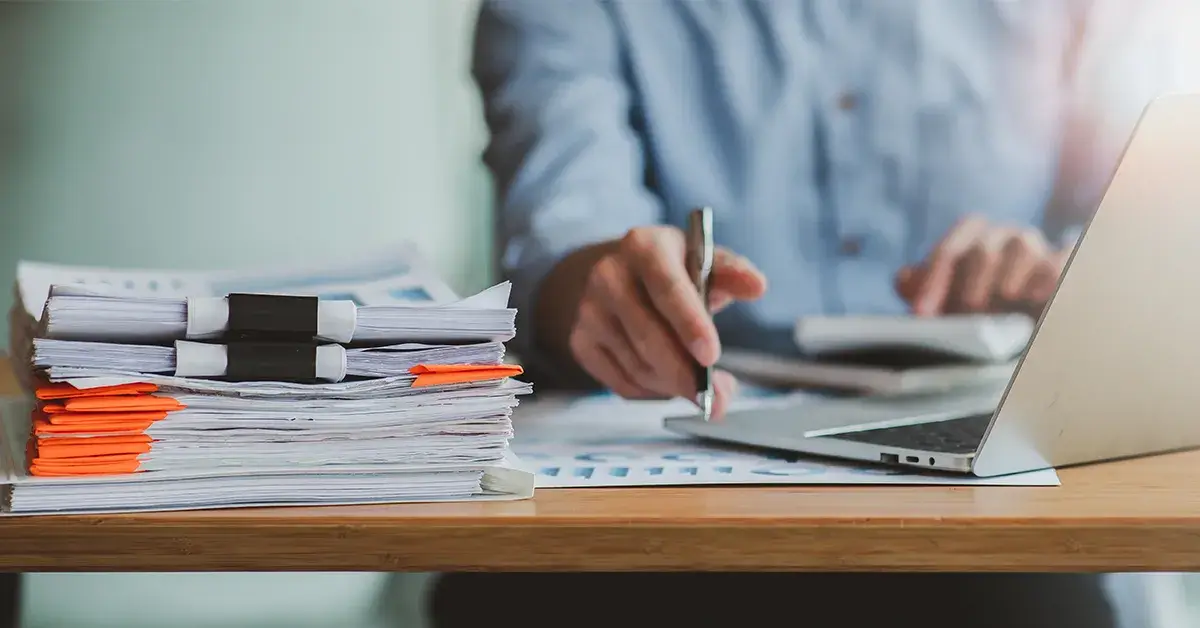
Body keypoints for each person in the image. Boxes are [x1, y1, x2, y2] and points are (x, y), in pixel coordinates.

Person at [432, 1, 1193, 627]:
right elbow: (559, 231)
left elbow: (1152, 224)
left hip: (989, 512)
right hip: (651, 508)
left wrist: (1062, 269)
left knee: (1029, 598)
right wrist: (597, 288)